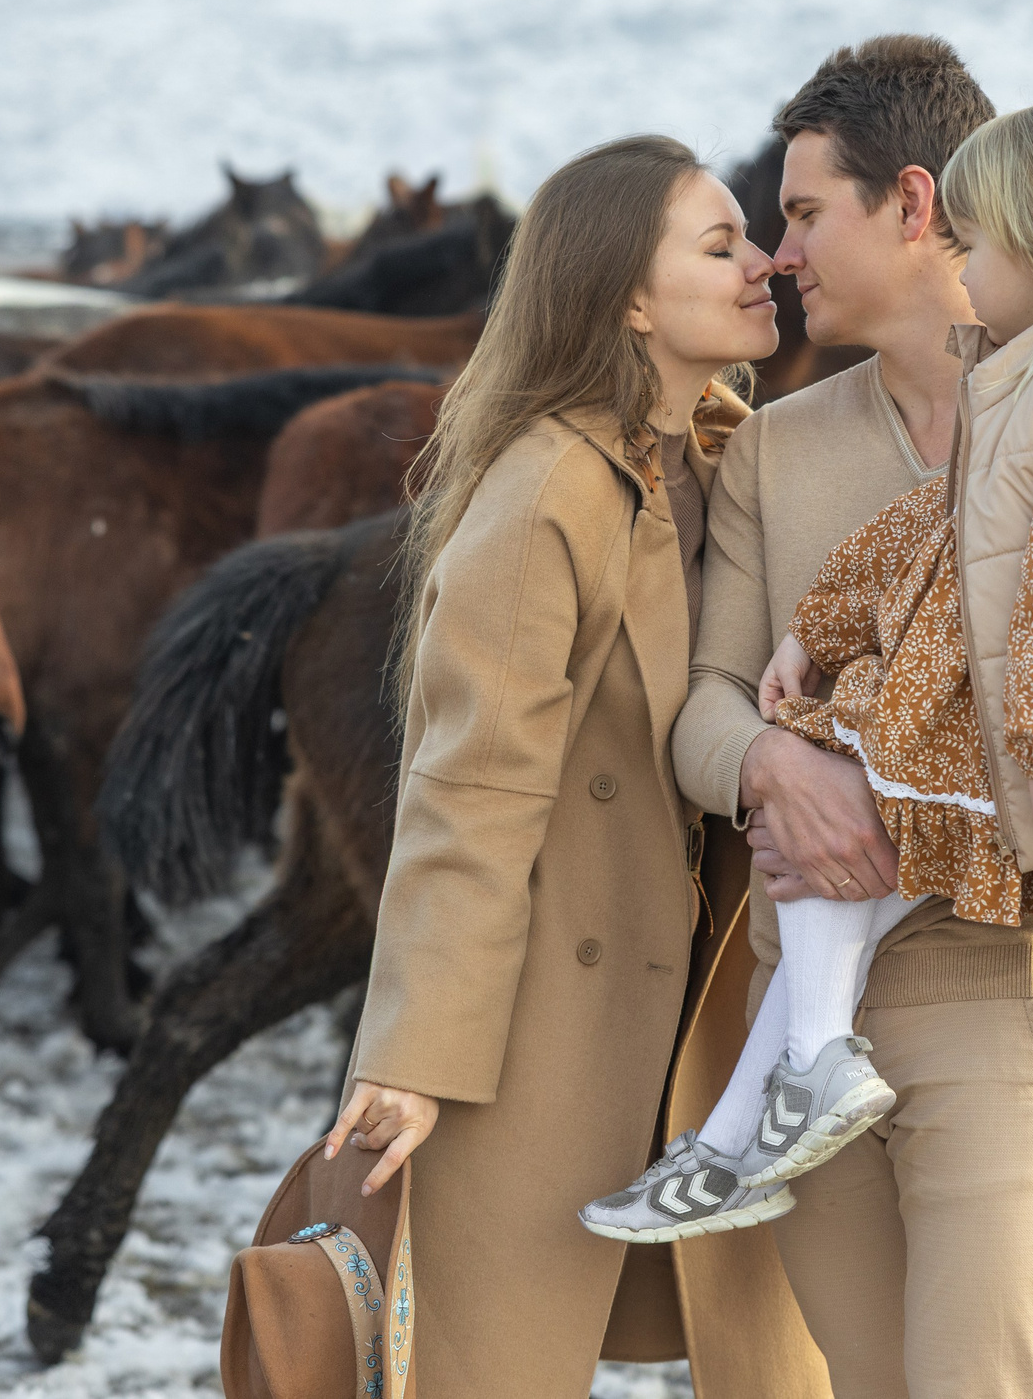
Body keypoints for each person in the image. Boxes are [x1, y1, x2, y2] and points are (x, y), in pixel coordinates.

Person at [586, 93, 1033, 1288]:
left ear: (914, 205)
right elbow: (885, 569)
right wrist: (780, 757)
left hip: (1022, 975)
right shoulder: (780, 445)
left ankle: (748, 1120)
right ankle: (754, 1118)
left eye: (800, 214)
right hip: (839, 953)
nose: (777, 254)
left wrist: (1007, 785)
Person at [319, 134, 826, 1397]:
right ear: (630, 300)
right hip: (544, 1024)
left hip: (716, 1010)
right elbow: (467, 794)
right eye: (720, 246)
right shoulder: (543, 487)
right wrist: (415, 1059)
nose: (762, 261)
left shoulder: (726, 455)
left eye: (751, 236)